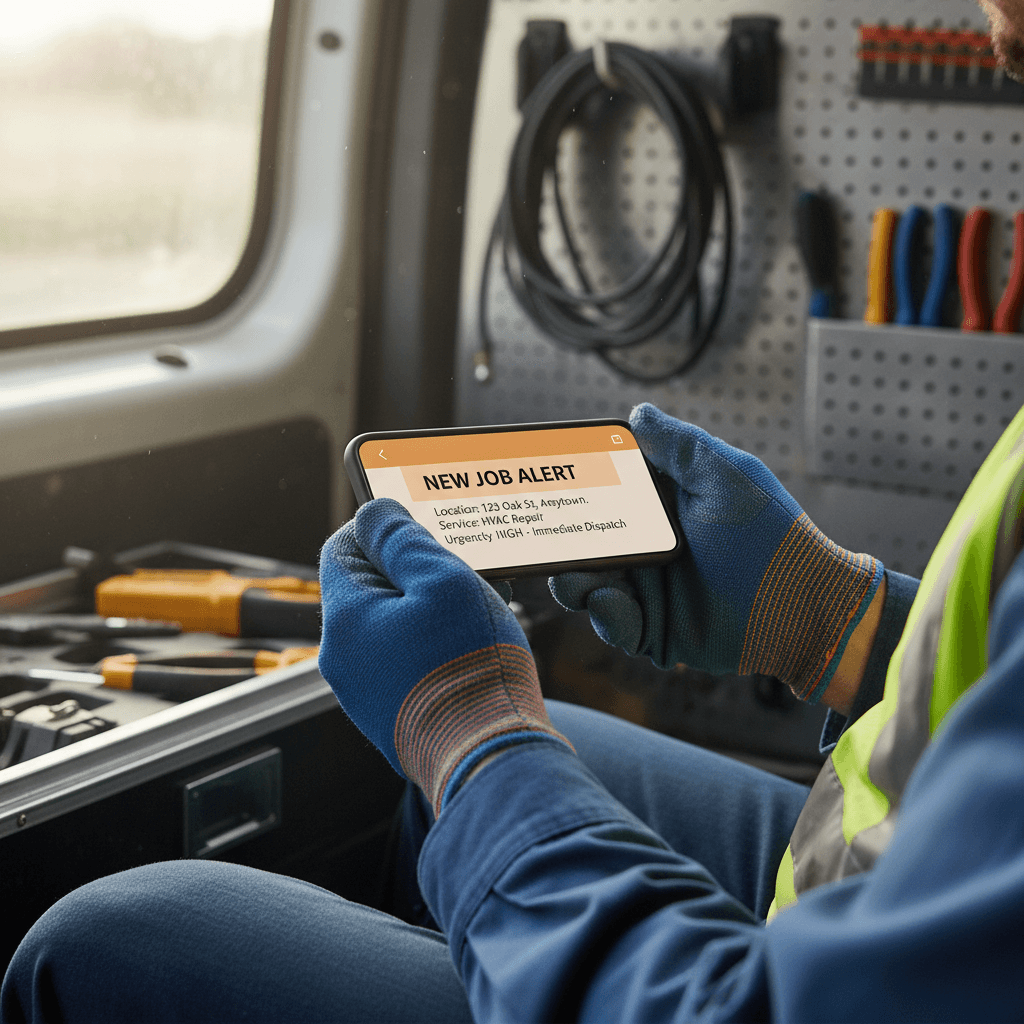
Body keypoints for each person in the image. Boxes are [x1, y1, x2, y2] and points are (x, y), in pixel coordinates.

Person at [5, 8, 1024, 1024]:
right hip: (895, 880)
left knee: (102, 943)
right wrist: (841, 625)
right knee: (503, 759)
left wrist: (473, 737)